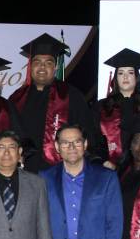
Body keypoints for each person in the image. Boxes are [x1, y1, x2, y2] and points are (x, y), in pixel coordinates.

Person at [7, 33, 93, 173]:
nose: (42, 67)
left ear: (55, 67)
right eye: (37, 62)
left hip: (61, 171)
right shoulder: (16, 99)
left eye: (48, 63)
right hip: (24, 172)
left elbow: (87, 135)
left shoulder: (71, 96)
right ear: (30, 66)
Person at [91, 49, 140, 170]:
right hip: (109, 170)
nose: (125, 77)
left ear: (136, 77)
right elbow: (93, 141)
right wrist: (103, 161)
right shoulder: (101, 107)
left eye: (130, 72)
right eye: (120, 73)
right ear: (115, 78)